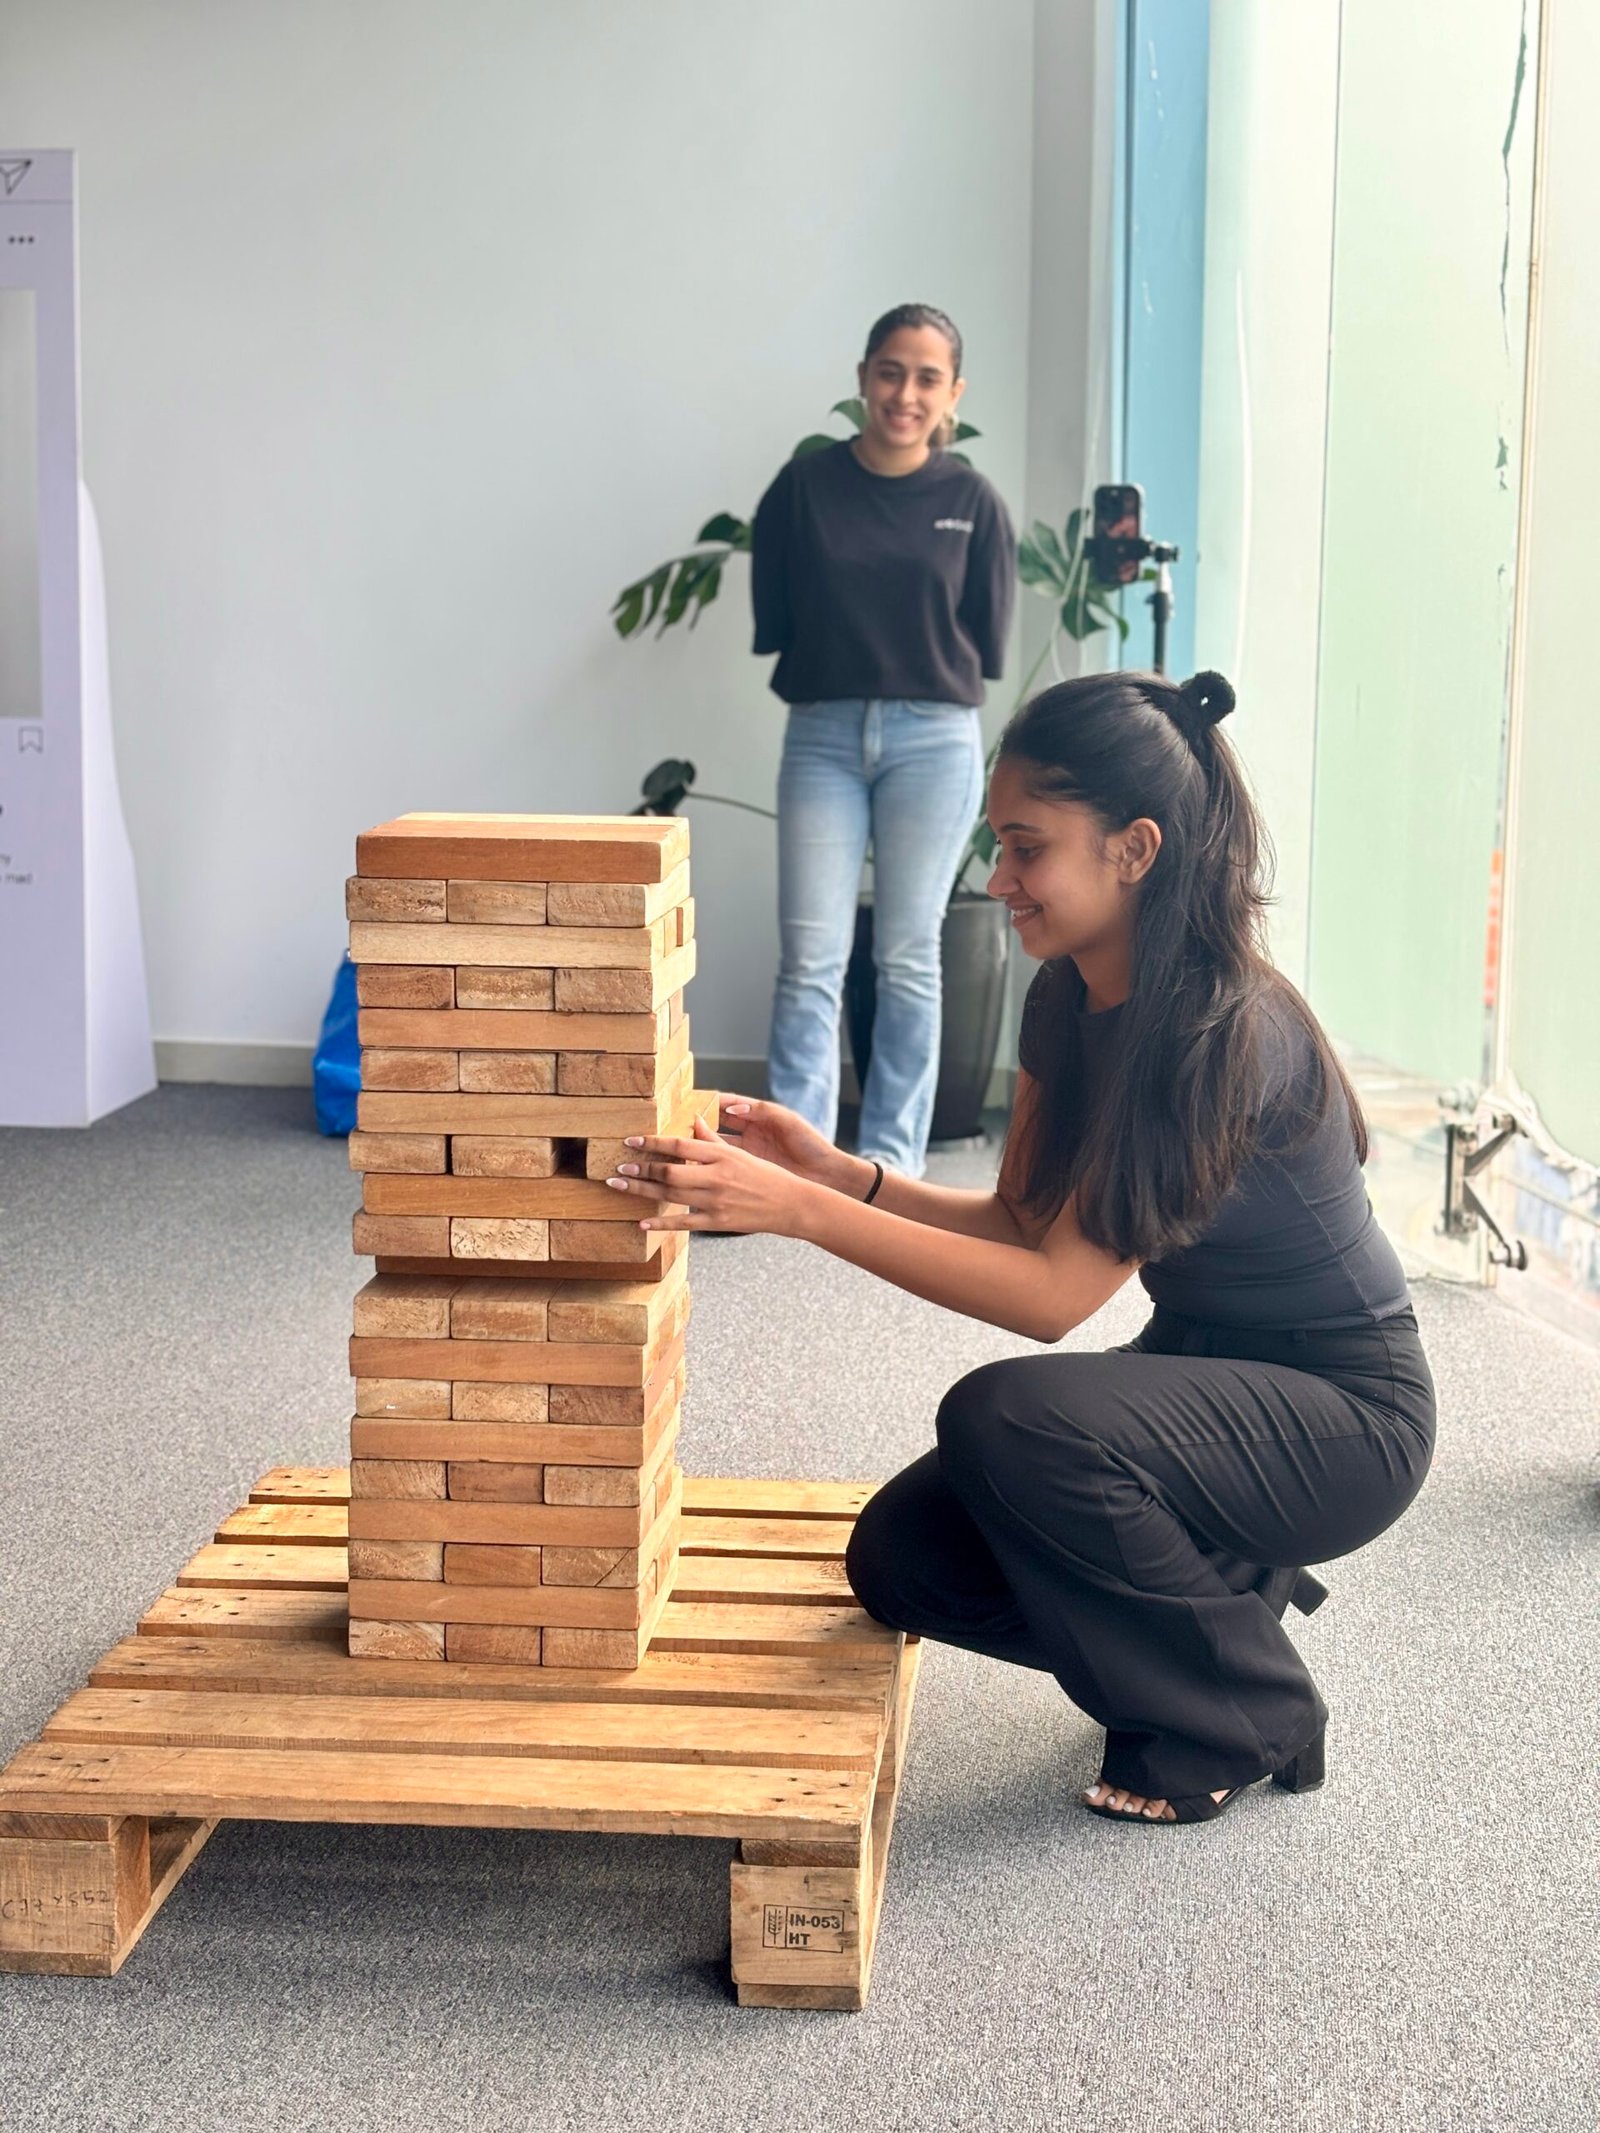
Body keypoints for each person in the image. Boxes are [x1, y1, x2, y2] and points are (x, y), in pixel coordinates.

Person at [602, 668, 1436, 1828]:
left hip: (1344, 1417)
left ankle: (1242, 1709)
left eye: (1026, 848)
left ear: (1133, 850)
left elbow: (1050, 1298)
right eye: (999, 845)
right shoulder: (1066, 996)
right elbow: (1022, 1220)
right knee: (904, 1559)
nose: (997, 880)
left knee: (1009, 1419)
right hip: (1206, 1373)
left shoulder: (1211, 1033)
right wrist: (840, 1176)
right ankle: (1213, 1599)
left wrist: (796, 1214)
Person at [750, 302, 1016, 1179]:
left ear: (953, 393)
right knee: (810, 960)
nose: (906, 394)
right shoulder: (804, 488)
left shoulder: (972, 502)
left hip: (934, 742)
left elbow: (985, 637)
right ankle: (794, 1160)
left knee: (907, 957)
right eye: (891, 372)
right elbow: (776, 614)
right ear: (863, 377)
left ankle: (891, 1163)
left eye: (927, 378)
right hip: (822, 737)